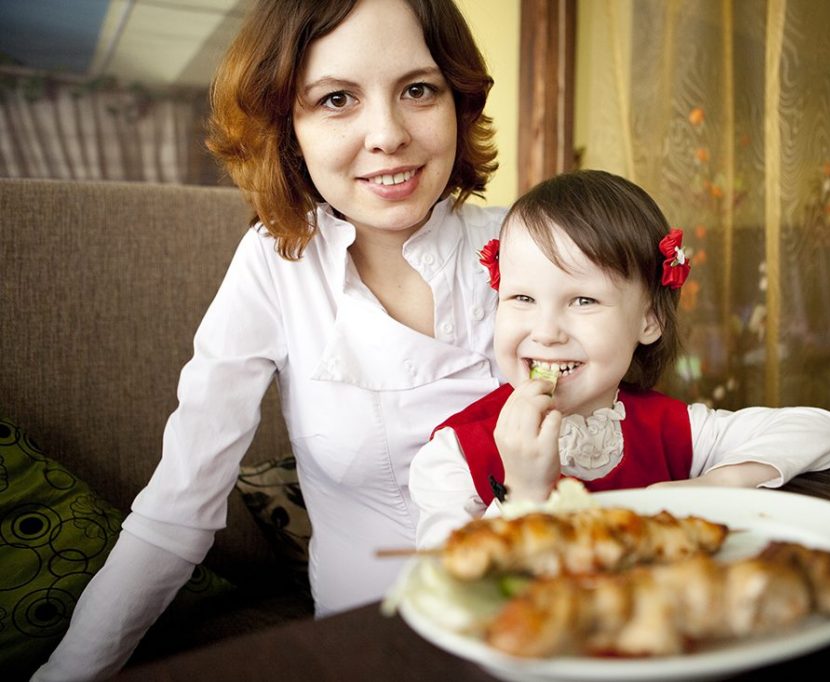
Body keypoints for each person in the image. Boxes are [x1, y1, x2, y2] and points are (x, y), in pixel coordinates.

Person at [34, 0, 505, 679]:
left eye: (418, 89)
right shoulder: (273, 266)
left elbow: (628, 435)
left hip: (549, 628)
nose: (388, 133)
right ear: (288, 126)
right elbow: (177, 509)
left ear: (456, 99)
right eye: (337, 98)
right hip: (369, 654)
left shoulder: (523, 242)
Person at [410, 170, 830, 548]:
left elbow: (829, 433)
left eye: (583, 300)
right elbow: (447, 582)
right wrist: (523, 493)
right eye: (522, 297)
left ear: (648, 320)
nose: (546, 332)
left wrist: (713, 487)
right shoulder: (454, 455)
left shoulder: (675, 430)